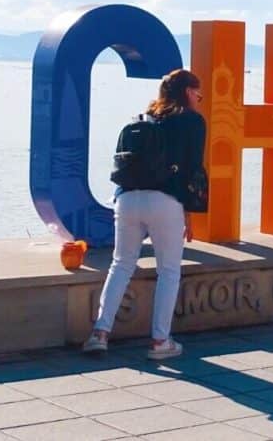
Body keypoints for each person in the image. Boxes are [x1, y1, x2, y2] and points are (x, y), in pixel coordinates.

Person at [82, 68, 205, 359]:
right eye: (198, 94)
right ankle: (160, 342)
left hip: (126, 199)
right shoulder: (191, 121)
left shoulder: (140, 120)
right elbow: (193, 169)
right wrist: (189, 212)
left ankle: (100, 332)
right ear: (188, 92)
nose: (199, 100)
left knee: (121, 264)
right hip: (165, 201)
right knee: (169, 271)